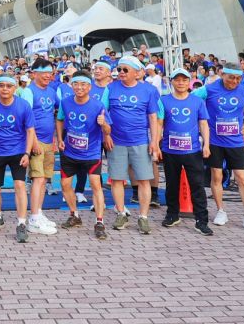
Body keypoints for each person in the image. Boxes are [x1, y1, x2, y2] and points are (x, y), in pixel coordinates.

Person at [193, 62, 244, 231]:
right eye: (231, 77)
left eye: (238, 78)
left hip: (235, 142)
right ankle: (221, 211)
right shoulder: (209, 89)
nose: (234, 81)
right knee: (216, 176)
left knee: (241, 177)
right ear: (222, 74)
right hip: (215, 141)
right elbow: (189, 99)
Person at [102, 56, 160, 235]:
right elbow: (103, 112)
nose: (121, 72)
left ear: (137, 72)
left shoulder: (149, 90)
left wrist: (154, 141)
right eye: (119, 69)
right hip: (116, 141)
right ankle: (121, 213)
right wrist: (106, 135)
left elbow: (153, 117)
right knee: (117, 179)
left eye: (125, 70)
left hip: (140, 141)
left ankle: (143, 217)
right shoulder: (110, 88)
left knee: (143, 180)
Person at [156, 68, 212, 236]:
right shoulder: (163, 100)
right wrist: (156, 145)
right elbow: (159, 124)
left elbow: (203, 124)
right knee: (171, 184)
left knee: (197, 186)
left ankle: (201, 221)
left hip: (192, 151)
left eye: (184, 80)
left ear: (189, 82)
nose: (181, 83)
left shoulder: (197, 101)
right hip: (170, 150)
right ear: (172, 82)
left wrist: (206, 145)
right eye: (177, 80)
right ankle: (172, 215)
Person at [0, 74, 35, 242]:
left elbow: (30, 131)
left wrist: (27, 153)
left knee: (19, 185)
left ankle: (21, 224)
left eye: (9, 86)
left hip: (18, 151)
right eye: (1, 85)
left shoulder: (23, 105)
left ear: (15, 88)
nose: (5, 89)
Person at [57, 72, 111, 240]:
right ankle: (74, 215)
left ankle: (99, 222)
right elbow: (59, 119)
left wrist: (104, 124)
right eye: (76, 84)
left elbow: (108, 130)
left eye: (83, 84)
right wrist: (59, 138)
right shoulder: (65, 102)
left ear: (89, 87)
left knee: (95, 184)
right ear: (71, 85)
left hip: (91, 152)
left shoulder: (98, 105)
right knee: (65, 184)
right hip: (70, 151)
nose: (79, 87)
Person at [17, 59, 59, 235]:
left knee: (44, 180)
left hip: (49, 141)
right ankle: (33, 219)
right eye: (44, 73)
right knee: (38, 179)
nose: (48, 76)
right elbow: (26, 118)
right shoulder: (28, 92)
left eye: (50, 73)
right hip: (36, 141)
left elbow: (58, 110)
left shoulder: (52, 91)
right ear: (34, 74)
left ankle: (39, 213)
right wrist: (33, 142)